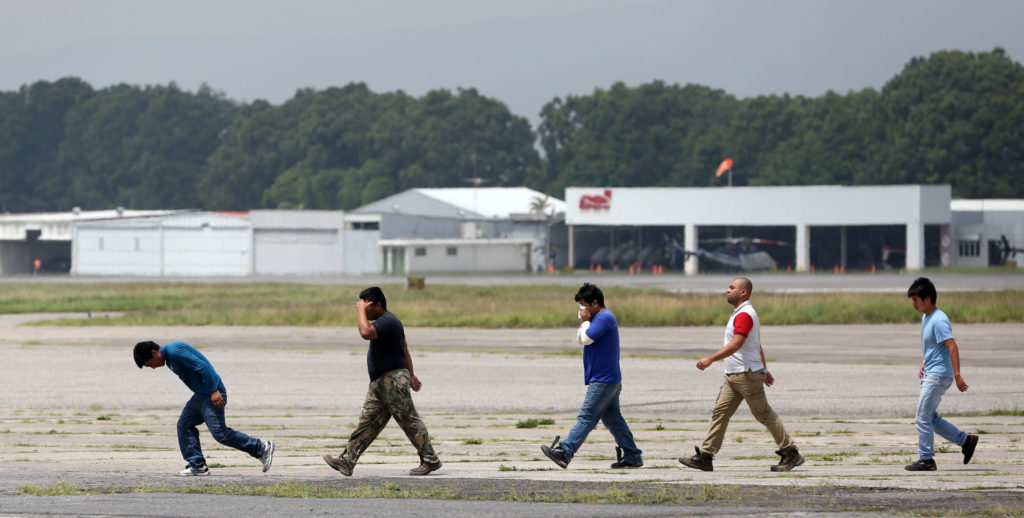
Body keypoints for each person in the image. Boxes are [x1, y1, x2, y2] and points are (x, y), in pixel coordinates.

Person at [679, 277, 803, 472]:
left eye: (732, 287)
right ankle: (705, 456)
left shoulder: (745, 314)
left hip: (746, 374)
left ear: (743, 292)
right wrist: (765, 368)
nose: (727, 290)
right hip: (734, 375)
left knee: (763, 414)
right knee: (720, 414)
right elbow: (757, 345)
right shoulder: (739, 313)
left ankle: (791, 452)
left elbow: (738, 343)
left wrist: (711, 359)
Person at [322, 287, 442, 476]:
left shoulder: (388, 321)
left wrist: (361, 311)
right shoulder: (385, 322)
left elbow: (365, 333)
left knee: (408, 419)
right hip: (380, 382)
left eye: (366, 305)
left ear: (378, 305)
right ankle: (347, 460)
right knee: (367, 422)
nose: (362, 310)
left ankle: (430, 459)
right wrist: (411, 374)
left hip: (392, 380)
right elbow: (404, 349)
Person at [541, 282, 643, 469]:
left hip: (603, 380)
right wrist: (585, 321)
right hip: (607, 379)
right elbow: (581, 339)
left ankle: (565, 452)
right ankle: (632, 455)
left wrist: (585, 321)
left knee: (587, 416)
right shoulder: (596, 319)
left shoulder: (604, 317)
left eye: (584, 305)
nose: (582, 310)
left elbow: (586, 337)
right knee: (614, 420)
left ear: (595, 303)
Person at [134, 340, 274, 476]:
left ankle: (261, 448)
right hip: (201, 395)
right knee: (184, 425)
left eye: (150, 364)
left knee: (221, 434)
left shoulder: (174, 351)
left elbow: (202, 366)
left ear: (154, 353)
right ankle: (198, 465)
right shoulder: (169, 357)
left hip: (212, 393)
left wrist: (213, 390)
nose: (153, 367)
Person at [904, 277, 978, 471]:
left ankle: (927, 459)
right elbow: (933, 348)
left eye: (916, 300)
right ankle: (966, 441)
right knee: (930, 418)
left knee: (922, 417)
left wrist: (958, 375)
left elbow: (952, 347)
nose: (914, 304)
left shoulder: (939, 320)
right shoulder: (926, 317)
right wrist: (924, 363)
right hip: (931, 372)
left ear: (928, 299)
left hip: (938, 376)